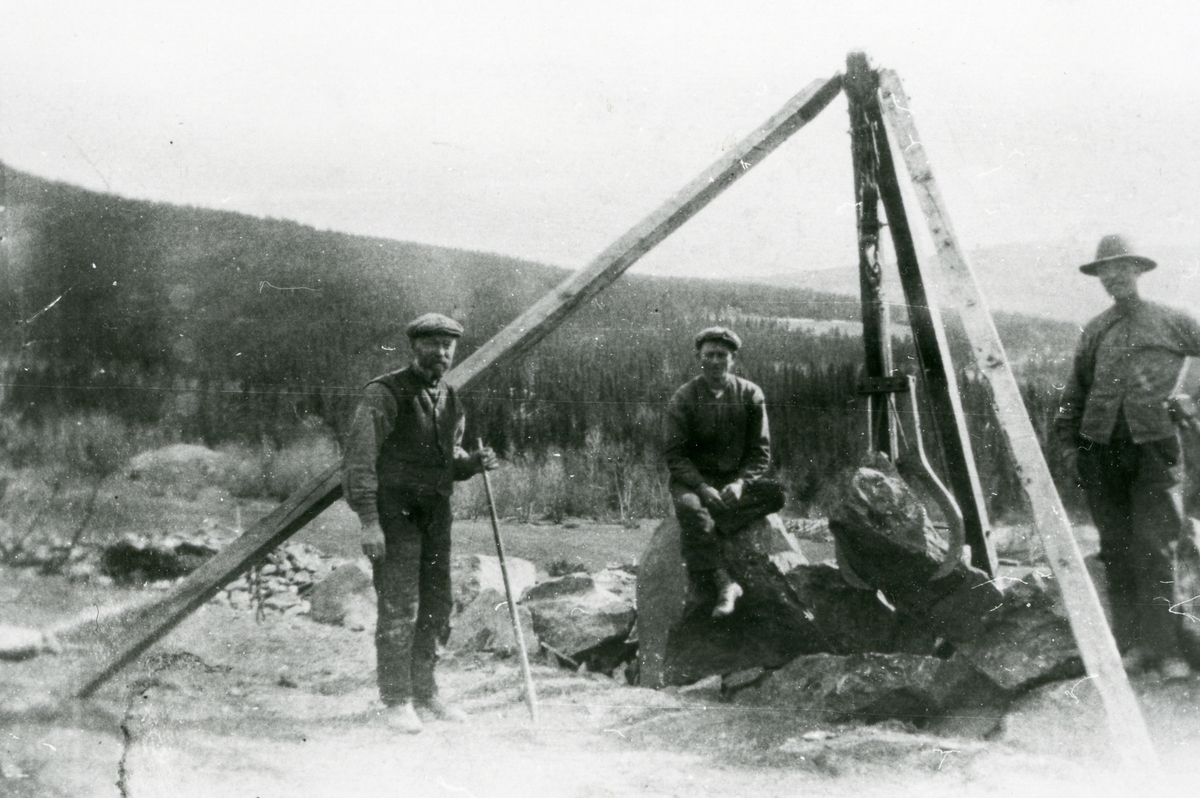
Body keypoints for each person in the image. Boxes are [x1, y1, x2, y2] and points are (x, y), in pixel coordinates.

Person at [343, 312, 499, 733]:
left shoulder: (451, 398)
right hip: (395, 518)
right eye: (433, 344)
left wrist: (473, 464)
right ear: (415, 346)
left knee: (436, 604)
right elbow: (359, 463)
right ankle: (396, 699)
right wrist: (369, 522)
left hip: (435, 518)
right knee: (399, 606)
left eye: (449, 346)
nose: (443, 353)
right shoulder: (385, 394)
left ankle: (426, 691)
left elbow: (449, 458)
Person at [1056, 234, 1200, 680]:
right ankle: (1132, 647)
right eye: (1104, 270)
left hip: (1155, 449)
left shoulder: (1172, 321)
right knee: (1115, 549)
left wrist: (1190, 399)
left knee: (1155, 547)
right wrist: (1066, 445)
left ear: (1138, 270)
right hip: (1101, 451)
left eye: (1122, 267)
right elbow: (1076, 393)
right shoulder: (1096, 329)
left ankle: (1169, 650)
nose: (1113, 276)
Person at [664, 326, 785, 618]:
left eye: (722, 355)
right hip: (694, 483)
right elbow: (675, 455)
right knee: (690, 507)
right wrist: (702, 487)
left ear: (733, 359)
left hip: (733, 484)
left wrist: (742, 484)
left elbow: (760, 452)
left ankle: (708, 523)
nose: (715, 361)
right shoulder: (684, 398)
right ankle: (725, 583)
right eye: (709, 355)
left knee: (776, 494)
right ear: (698, 358)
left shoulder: (750, 394)